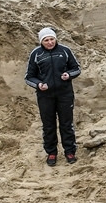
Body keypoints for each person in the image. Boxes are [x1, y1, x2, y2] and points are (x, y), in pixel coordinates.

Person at [25, 27, 81, 166]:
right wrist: (39, 85)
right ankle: (51, 153)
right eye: (46, 40)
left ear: (55, 39)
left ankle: (69, 151)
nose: (50, 42)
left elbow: (76, 68)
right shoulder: (36, 54)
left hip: (65, 94)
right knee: (48, 126)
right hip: (45, 96)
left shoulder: (64, 50)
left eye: (52, 39)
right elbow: (29, 77)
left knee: (66, 124)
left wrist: (69, 75)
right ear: (41, 41)